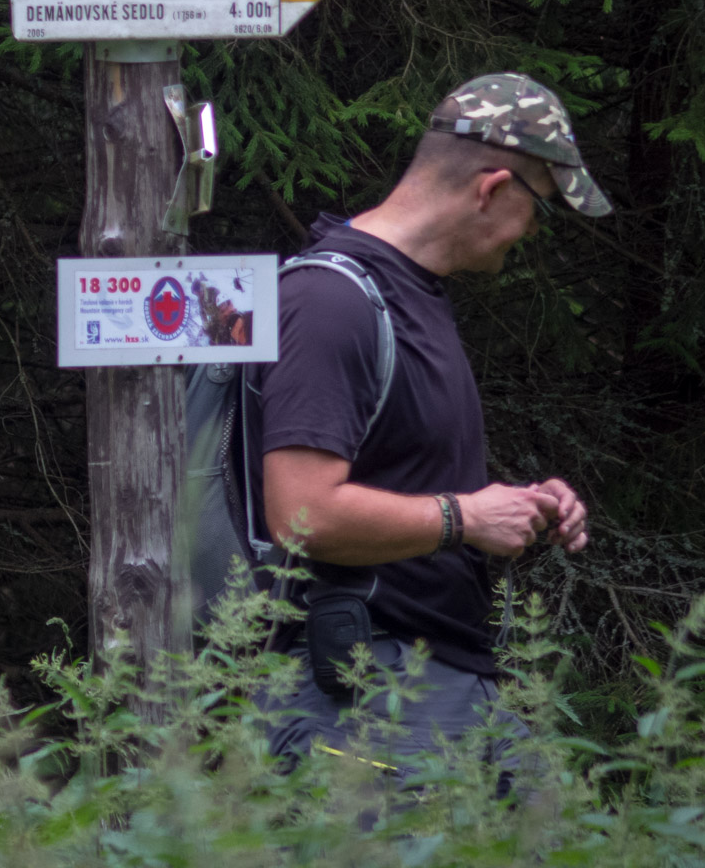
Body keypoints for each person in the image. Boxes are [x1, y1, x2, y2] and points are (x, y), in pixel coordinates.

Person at [250, 72, 606, 774]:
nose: (535, 230)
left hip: (436, 687)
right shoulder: (331, 302)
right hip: (364, 699)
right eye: (542, 207)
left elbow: (406, 483)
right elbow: (302, 514)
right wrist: (463, 519)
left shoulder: (411, 297)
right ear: (492, 189)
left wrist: (510, 511)